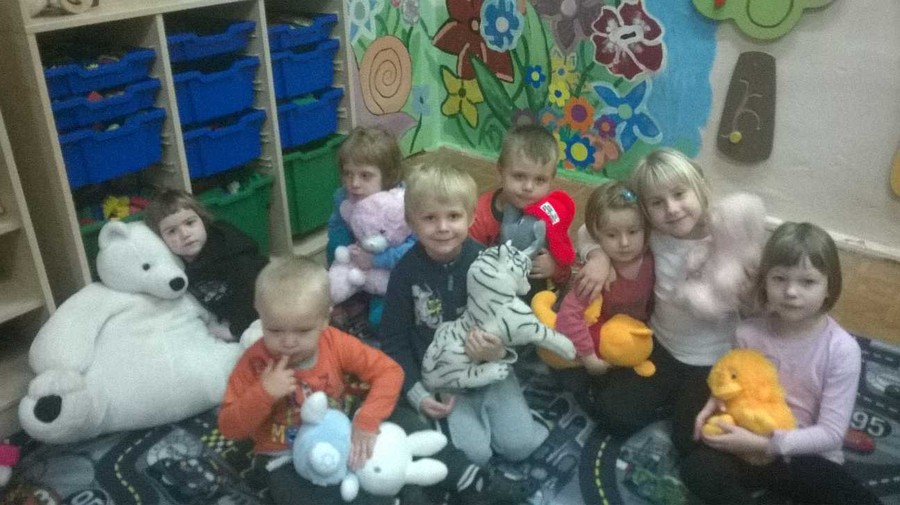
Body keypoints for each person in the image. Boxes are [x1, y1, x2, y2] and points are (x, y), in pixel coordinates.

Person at [574, 148, 761, 454]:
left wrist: (749, 294)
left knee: (692, 439)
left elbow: (755, 305)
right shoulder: (653, 234)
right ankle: (667, 399)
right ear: (645, 211)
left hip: (712, 359)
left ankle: (677, 404)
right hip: (659, 346)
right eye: (657, 203)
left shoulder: (726, 238)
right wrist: (596, 256)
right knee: (612, 415)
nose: (672, 209)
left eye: (679, 194)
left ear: (699, 188)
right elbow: (588, 230)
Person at [681, 222, 883, 505]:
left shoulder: (842, 350)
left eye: (807, 282)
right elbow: (733, 383)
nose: (790, 291)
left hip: (804, 453)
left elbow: (832, 434)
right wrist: (716, 401)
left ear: (829, 287)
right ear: (765, 280)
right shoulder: (747, 333)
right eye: (779, 278)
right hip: (746, 440)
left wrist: (767, 445)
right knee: (697, 469)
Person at [378, 163, 539, 504]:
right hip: (444, 379)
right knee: (475, 455)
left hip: (491, 369)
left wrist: (499, 350)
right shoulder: (405, 274)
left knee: (521, 445)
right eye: (429, 218)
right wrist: (416, 392)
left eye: (453, 216)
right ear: (411, 222)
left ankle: (512, 415)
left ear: (470, 218)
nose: (442, 227)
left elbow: (515, 324)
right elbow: (392, 341)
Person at [218, 255, 404, 505]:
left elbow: (390, 371)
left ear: (325, 318)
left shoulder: (334, 341)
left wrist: (367, 419)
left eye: (303, 330)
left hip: (341, 433)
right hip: (284, 457)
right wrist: (263, 393)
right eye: (274, 330)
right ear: (259, 315)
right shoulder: (254, 363)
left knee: (396, 447)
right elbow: (229, 428)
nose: (288, 342)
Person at [553, 180, 654, 407]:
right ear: (597, 235)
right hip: (591, 347)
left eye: (633, 232)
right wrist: (589, 357)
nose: (624, 243)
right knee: (574, 384)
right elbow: (568, 317)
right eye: (611, 235)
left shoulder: (650, 258)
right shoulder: (595, 274)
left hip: (628, 343)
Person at [145, 189, 266, 341]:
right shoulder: (174, 264)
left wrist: (236, 330)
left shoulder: (233, 254)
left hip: (263, 308)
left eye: (190, 223)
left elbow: (253, 293)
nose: (185, 234)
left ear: (203, 220)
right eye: (172, 231)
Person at [469, 124, 576, 296]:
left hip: (537, 299)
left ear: (552, 179)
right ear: (500, 170)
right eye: (519, 176)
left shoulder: (552, 216)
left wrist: (554, 268)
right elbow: (468, 265)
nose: (528, 187)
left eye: (540, 180)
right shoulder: (481, 214)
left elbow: (567, 274)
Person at [326, 126, 415, 327]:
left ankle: (372, 300)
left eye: (365, 175)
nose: (354, 183)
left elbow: (416, 249)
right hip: (356, 265)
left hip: (392, 272)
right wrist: (344, 252)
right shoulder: (343, 198)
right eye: (348, 174)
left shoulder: (403, 203)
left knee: (380, 321)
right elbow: (335, 231)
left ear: (389, 175)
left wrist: (376, 260)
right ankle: (353, 297)